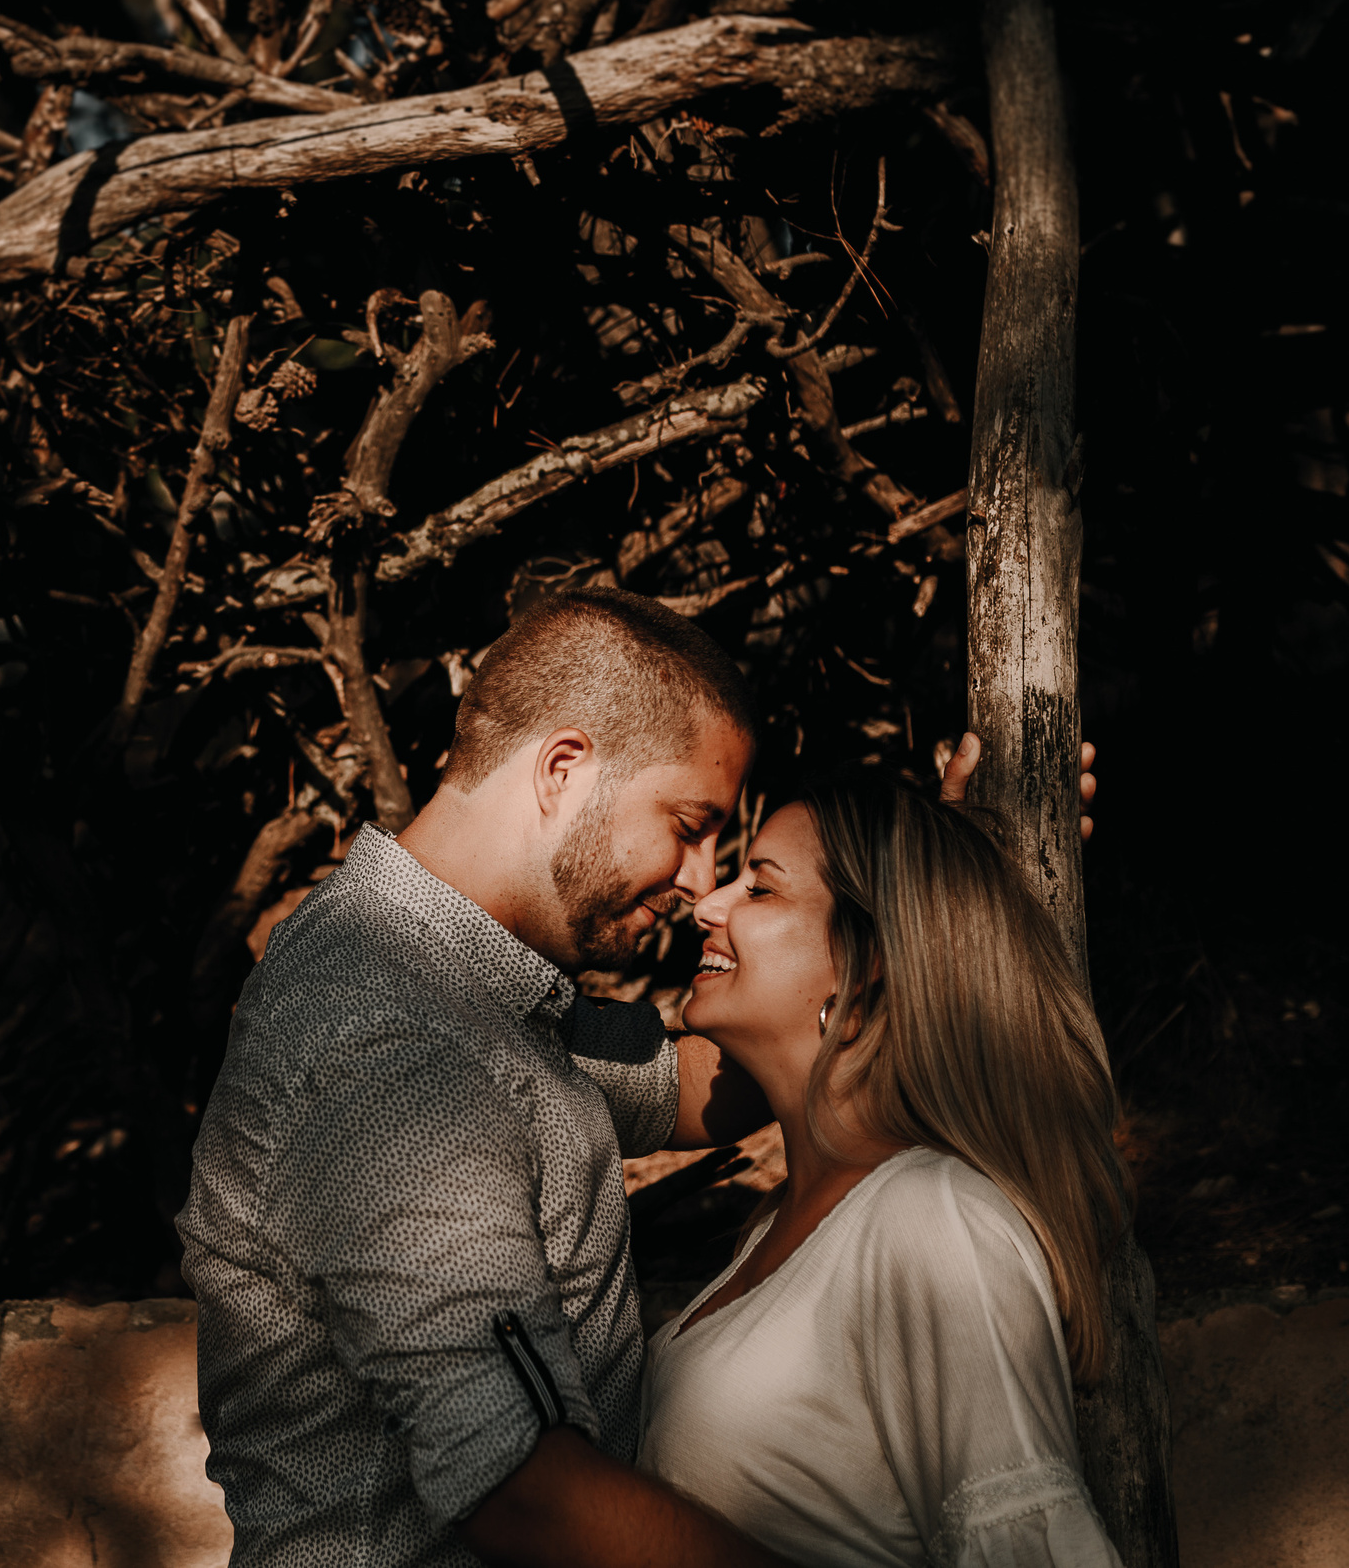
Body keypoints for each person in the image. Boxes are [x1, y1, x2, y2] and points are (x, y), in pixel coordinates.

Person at [179, 587, 792, 1568]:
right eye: (688, 823)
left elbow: (704, 1082)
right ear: (563, 767)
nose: (699, 880)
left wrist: (933, 906)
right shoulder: (385, 1040)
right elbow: (521, 1490)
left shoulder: (474, 987)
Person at [637, 775, 1127, 1567]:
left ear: (864, 963)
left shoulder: (934, 1219)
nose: (709, 905)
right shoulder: (780, 1219)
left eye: (759, 887)